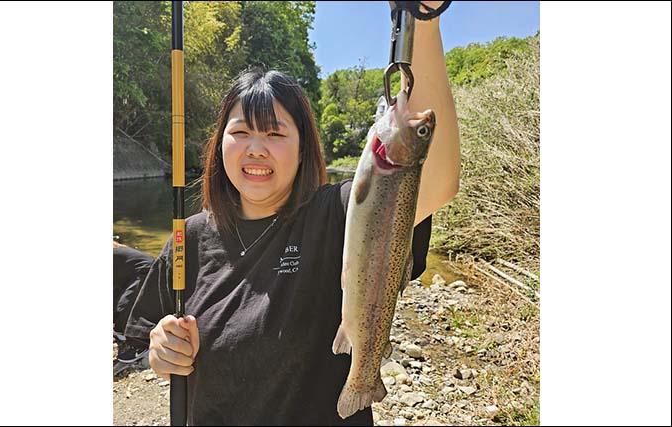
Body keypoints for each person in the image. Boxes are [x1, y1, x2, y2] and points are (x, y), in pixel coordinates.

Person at [125, 5, 460, 425]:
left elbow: (437, 181)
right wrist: (161, 350)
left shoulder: (334, 216)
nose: (256, 149)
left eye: (275, 133)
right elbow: (148, 335)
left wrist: (423, 17)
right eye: (241, 131)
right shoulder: (188, 236)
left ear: (303, 148)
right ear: (219, 143)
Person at [113, 241, 153, 367]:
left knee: (124, 309)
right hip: (132, 273)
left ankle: (140, 345)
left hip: (146, 271)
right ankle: (123, 336)